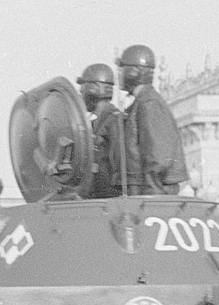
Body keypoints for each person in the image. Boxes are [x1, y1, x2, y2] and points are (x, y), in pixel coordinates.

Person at [117, 44, 188, 195]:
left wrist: (152, 197)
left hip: (153, 197)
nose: (119, 75)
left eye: (122, 70)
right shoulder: (141, 104)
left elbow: (159, 157)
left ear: (133, 72)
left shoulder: (150, 104)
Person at [74, 63, 127, 198]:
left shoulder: (114, 121)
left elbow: (120, 167)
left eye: (83, 90)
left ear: (94, 89)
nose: (81, 95)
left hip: (110, 198)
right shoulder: (95, 124)